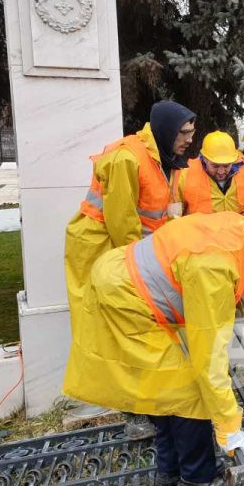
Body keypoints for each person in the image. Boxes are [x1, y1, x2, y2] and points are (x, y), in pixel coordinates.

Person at [62, 201, 244, 486]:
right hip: (127, 299)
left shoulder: (235, 229)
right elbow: (209, 359)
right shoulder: (216, 265)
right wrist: (229, 426)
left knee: (164, 385)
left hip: (126, 283)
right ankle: (197, 479)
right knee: (188, 392)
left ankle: (172, 466)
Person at [65, 100, 195, 439]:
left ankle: (144, 404)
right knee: (116, 329)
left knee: (138, 328)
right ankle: (133, 411)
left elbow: (160, 214)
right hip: (102, 247)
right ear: (167, 131)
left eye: (192, 133)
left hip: (134, 250)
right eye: (184, 133)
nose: (189, 141)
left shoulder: (167, 160)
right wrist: (147, 267)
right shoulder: (128, 157)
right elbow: (122, 224)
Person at [175, 131, 244, 215]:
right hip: (200, 228)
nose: (221, 172)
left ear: (233, 160)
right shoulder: (185, 175)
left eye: (226, 166)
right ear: (204, 159)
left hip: (240, 227)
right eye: (215, 166)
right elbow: (175, 214)